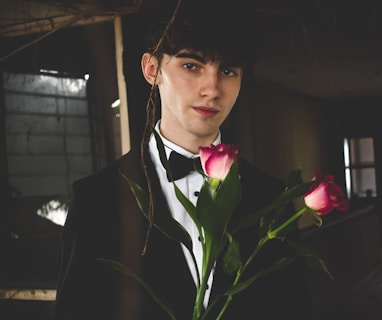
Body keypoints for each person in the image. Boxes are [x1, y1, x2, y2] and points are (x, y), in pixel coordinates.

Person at [52, 0, 312, 319]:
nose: (212, 89)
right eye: (192, 65)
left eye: (228, 70)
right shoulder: (95, 200)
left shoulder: (272, 197)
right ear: (152, 69)